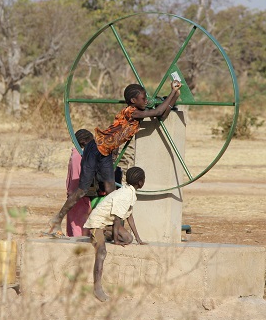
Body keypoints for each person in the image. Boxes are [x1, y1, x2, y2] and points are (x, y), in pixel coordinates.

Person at [47, 80, 182, 236]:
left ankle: (111, 228)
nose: (147, 101)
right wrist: (172, 91)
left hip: (105, 153)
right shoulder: (131, 112)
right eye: (143, 99)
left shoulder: (138, 113)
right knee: (82, 191)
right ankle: (56, 220)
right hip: (95, 149)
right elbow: (158, 112)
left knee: (112, 192)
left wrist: (175, 96)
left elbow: (162, 114)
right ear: (133, 101)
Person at [84, 166, 148, 302]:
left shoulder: (130, 192)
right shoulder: (125, 195)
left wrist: (138, 238)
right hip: (97, 223)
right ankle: (97, 288)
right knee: (101, 251)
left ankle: (103, 234)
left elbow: (129, 216)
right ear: (141, 183)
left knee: (128, 238)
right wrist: (116, 242)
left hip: (108, 224)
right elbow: (117, 219)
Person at [66, 129, 94, 237]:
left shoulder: (77, 155)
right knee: (79, 227)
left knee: (75, 224)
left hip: (75, 195)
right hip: (79, 195)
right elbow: (77, 178)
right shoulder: (79, 156)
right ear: (83, 142)